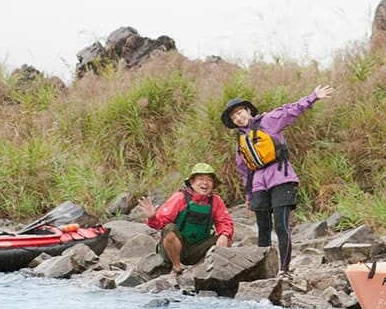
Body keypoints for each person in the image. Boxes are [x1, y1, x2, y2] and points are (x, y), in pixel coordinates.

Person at [221, 84, 334, 277]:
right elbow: (244, 171)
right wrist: (248, 197)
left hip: (281, 178)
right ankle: (264, 271)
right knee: (263, 228)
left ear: (248, 111)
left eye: (240, 113)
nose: (238, 118)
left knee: (281, 226)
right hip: (258, 184)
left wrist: (313, 97)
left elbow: (291, 110)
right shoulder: (241, 142)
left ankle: (284, 270)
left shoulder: (268, 121)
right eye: (234, 117)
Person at [137, 162, 234, 276]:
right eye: (201, 179)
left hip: (197, 249)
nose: (205, 183)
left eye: (209, 180)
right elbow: (159, 224)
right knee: (169, 229)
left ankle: (204, 268)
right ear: (192, 182)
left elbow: (225, 222)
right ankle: (177, 268)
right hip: (173, 251)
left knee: (227, 238)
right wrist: (152, 217)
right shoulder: (179, 198)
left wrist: (224, 235)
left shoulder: (216, 201)